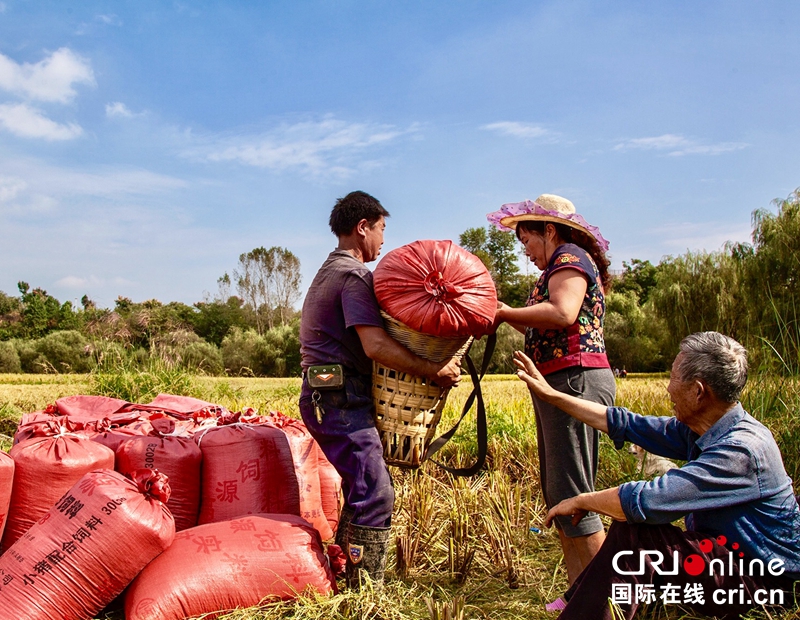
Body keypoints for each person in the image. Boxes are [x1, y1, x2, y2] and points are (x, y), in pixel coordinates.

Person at [514, 331, 800, 619]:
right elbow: (624, 423)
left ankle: (583, 608)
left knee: (636, 536)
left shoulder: (741, 451)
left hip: (763, 582)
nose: (668, 388)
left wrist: (581, 500)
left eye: (675, 378)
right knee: (634, 537)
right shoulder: (704, 428)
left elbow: (643, 501)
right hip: (726, 560)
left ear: (698, 392)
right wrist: (552, 395)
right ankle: (585, 601)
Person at [299, 190, 461, 588]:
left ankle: (342, 574)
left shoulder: (328, 270)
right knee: (376, 493)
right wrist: (430, 368)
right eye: (382, 229)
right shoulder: (353, 276)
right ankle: (363, 592)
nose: (384, 239)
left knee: (362, 486)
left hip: (327, 396)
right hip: (338, 399)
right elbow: (374, 345)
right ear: (362, 227)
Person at [487, 194, 615, 597]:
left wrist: (504, 313)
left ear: (550, 230)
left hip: (575, 382)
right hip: (559, 383)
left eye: (527, 240)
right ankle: (580, 594)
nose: (525, 252)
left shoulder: (570, 257)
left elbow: (562, 312)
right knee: (562, 495)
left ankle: (606, 601)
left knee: (577, 494)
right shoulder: (562, 264)